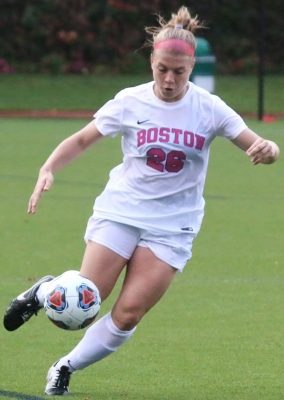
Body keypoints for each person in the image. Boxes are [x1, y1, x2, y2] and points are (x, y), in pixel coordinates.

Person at [3, 5, 280, 396]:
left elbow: (259, 144)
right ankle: (42, 291)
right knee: (86, 303)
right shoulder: (130, 101)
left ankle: (66, 365)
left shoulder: (209, 107)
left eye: (179, 72)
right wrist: (48, 168)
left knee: (129, 313)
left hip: (174, 224)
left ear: (191, 69)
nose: (169, 80)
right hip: (122, 210)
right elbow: (83, 139)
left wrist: (268, 149)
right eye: (162, 69)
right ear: (152, 61)